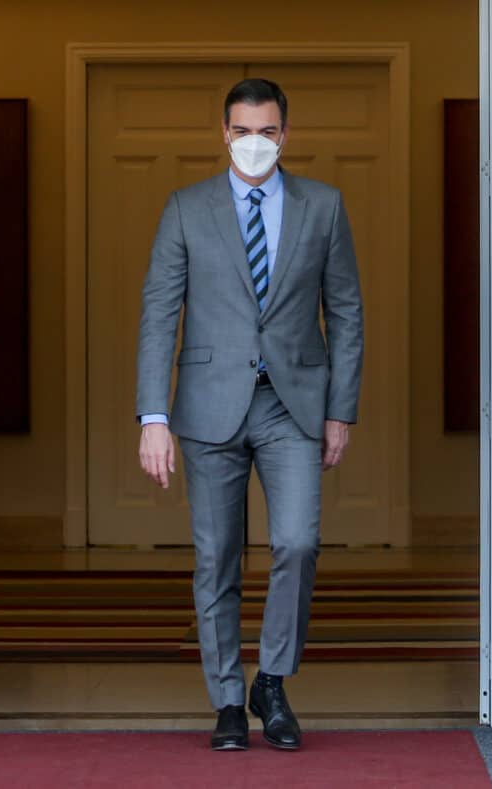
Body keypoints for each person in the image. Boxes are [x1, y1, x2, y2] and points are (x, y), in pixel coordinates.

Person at [135, 78, 364, 753]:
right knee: (217, 557)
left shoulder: (324, 206)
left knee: (296, 542)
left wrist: (340, 409)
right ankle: (229, 699)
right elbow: (158, 314)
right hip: (208, 407)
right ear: (224, 133)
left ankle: (273, 677)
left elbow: (346, 311)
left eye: (267, 129)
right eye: (242, 130)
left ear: (286, 134)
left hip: (293, 404)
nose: (255, 141)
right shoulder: (186, 207)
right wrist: (153, 415)